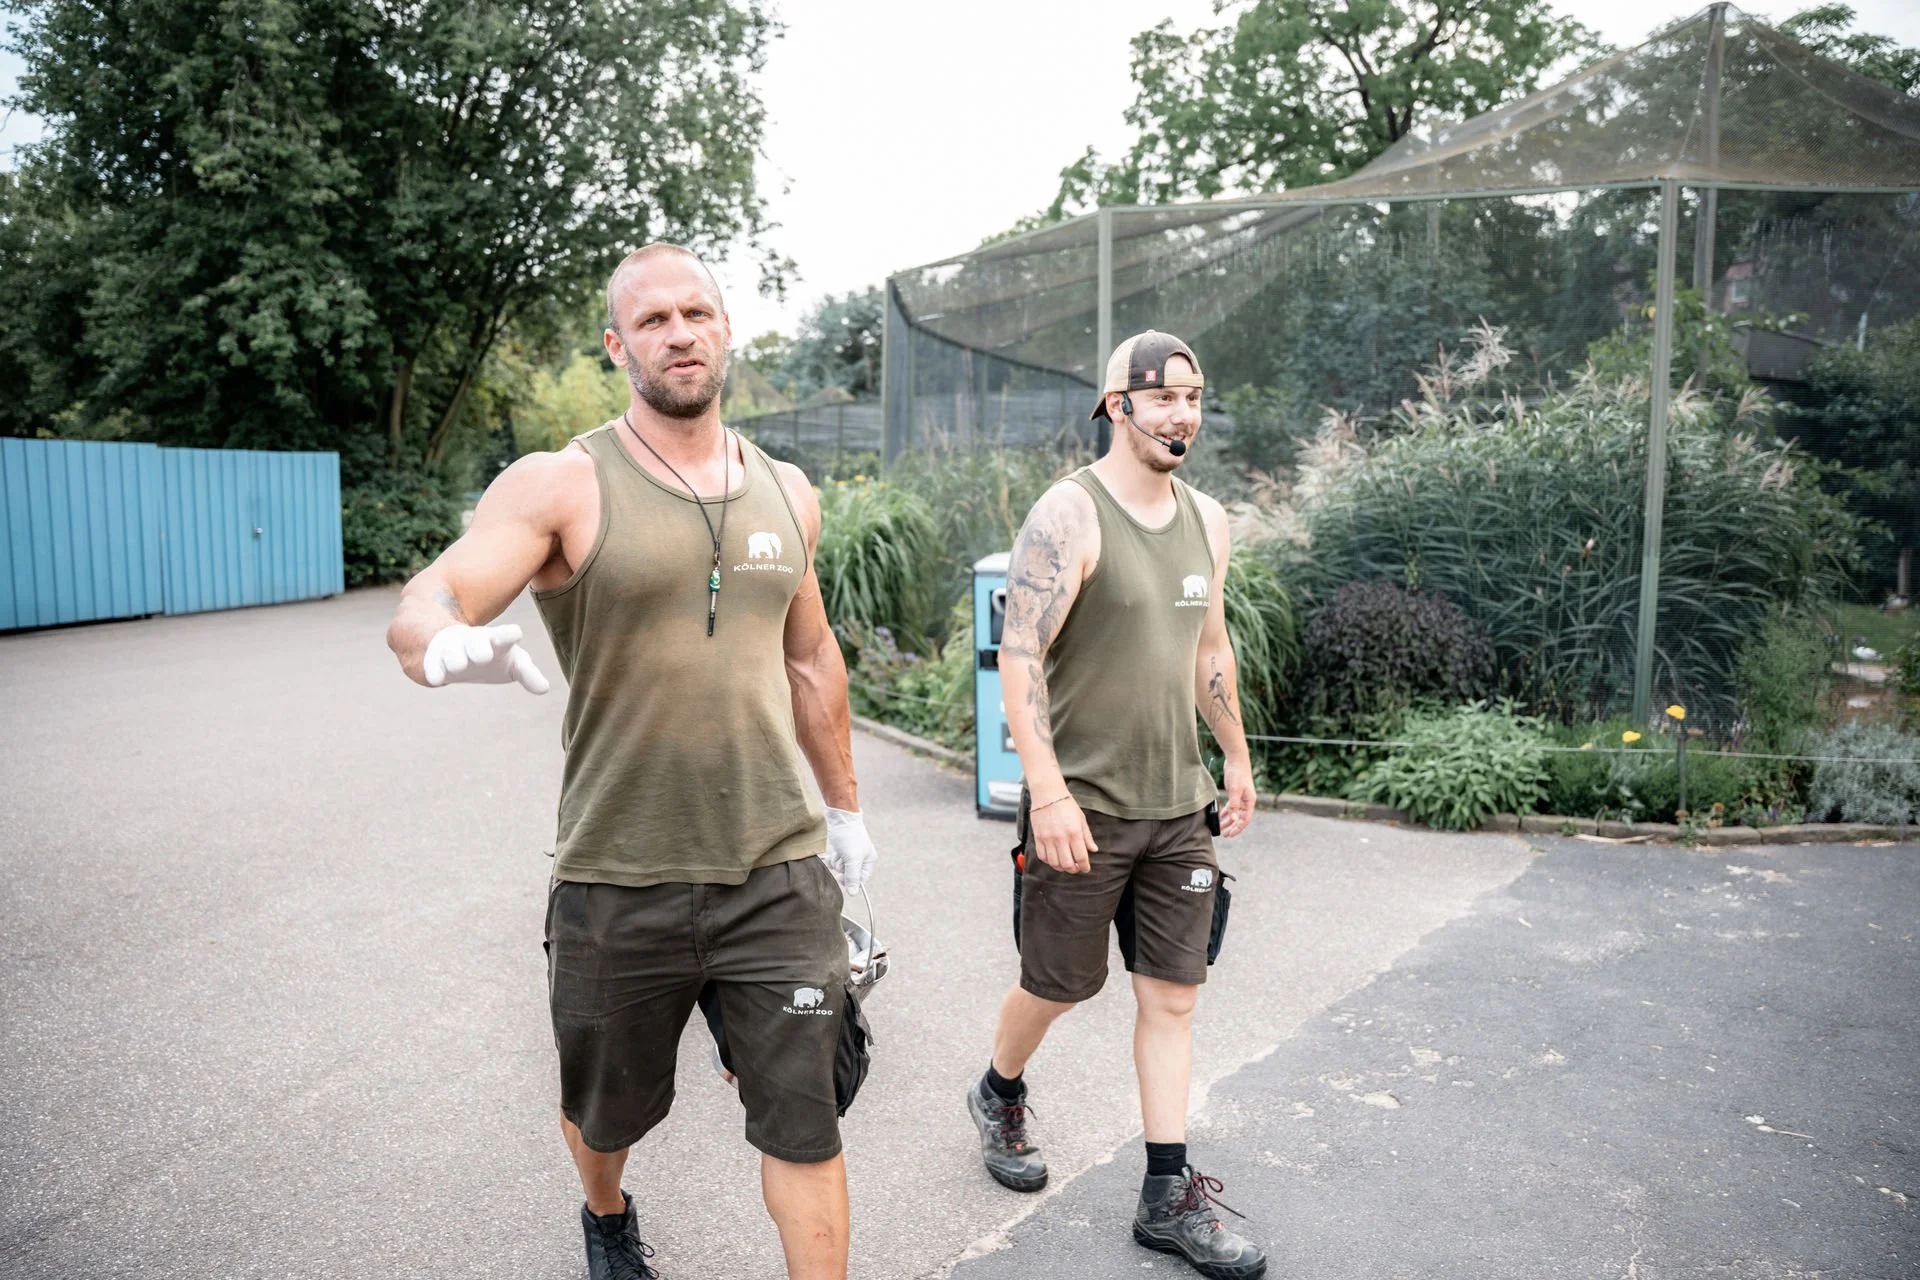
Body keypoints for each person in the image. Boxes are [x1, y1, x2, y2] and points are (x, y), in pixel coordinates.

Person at [385, 243, 878, 1280]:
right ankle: (606, 1215)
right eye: (652, 320)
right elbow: (431, 595)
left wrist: (845, 809)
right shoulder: (562, 482)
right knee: (604, 1114)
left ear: (728, 331)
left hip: (776, 871)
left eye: (698, 312)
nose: (680, 332)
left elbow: (810, 652)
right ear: (618, 346)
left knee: (806, 1117)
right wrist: (438, 640)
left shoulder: (789, 490)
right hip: (618, 870)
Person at [966, 332, 1266, 1280]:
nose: (1183, 413)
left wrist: (1236, 755)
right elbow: (1019, 657)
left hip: (1179, 803)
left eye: (1195, 396)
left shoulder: (1208, 519)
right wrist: (1046, 791)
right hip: (1081, 807)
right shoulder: (1071, 513)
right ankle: (998, 1088)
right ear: (1117, 405)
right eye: (1163, 397)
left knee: (1172, 996)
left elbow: (1207, 646)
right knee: (1060, 984)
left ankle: (1166, 1195)